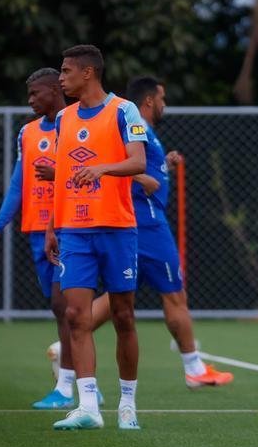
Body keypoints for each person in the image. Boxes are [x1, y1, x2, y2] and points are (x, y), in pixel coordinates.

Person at [78, 76, 233, 389]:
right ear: (149, 100)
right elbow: (110, 163)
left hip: (136, 221)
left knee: (119, 296)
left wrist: (166, 164)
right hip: (147, 223)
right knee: (175, 294)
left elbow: (141, 166)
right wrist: (142, 181)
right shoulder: (135, 125)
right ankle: (194, 368)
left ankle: (66, 348)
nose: (164, 104)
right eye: (162, 98)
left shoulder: (145, 132)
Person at [0, 68, 100, 410]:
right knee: (60, 310)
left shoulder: (77, 124)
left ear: (52, 90)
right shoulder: (28, 133)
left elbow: (90, 172)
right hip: (36, 230)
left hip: (69, 226)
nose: (30, 100)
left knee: (68, 306)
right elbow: (19, 185)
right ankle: (87, 383)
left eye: (35, 93)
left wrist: (60, 173)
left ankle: (67, 387)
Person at [45, 44, 147, 431]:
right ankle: (88, 405)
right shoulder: (64, 118)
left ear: (88, 73)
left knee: (123, 315)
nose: (61, 77)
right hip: (74, 230)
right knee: (75, 315)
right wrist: (53, 227)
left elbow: (138, 161)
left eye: (66, 70)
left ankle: (127, 403)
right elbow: (60, 175)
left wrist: (102, 169)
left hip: (118, 228)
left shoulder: (124, 110)